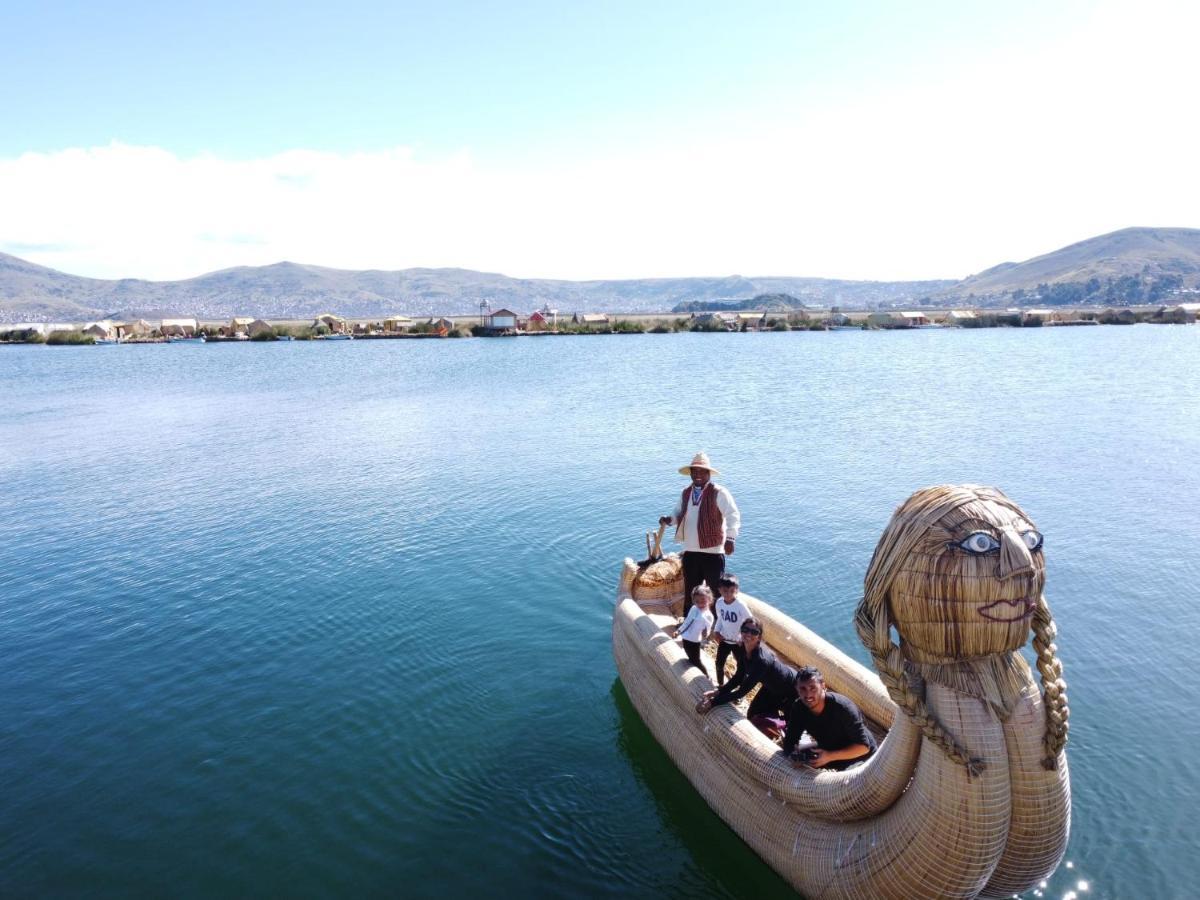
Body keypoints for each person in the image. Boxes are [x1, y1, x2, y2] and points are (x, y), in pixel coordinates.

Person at [659, 452, 740, 615]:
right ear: (691, 474)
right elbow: (678, 512)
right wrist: (670, 519)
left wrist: (730, 538)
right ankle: (688, 620)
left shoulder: (719, 492)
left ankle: (719, 624)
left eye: (701, 471)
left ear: (708, 473)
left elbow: (733, 515)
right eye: (694, 472)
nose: (697, 475)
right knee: (691, 589)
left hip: (713, 552)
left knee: (716, 591)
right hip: (690, 551)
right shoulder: (686, 492)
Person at [695, 616, 795, 737]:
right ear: (741, 631)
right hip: (771, 687)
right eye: (745, 629)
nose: (748, 634)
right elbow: (738, 677)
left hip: (791, 690)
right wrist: (718, 692)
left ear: (759, 637)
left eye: (754, 632)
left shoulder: (761, 661)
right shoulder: (742, 648)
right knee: (753, 714)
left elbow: (741, 692)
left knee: (790, 725)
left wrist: (713, 703)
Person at [782, 666, 876, 770]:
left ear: (823, 686)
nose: (808, 695)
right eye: (803, 689)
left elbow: (864, 747)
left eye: (813, 688)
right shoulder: (799, 707)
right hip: (828, 751)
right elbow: (790, 741)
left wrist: (830, 756)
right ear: (797, 689)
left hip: (859, 757)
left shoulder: (843, 707)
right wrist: (793, 756)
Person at [711, 573, 751, 689]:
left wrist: (742, 637)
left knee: (741, 667)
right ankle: (721, 685)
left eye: (731, 591)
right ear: (719, 590)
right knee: (719, 664)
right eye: (725, 591)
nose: (728, 594)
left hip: (738, 643)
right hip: (725, 640)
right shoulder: (719, 603)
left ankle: (740, 690)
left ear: (737, 590)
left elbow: (750, 621)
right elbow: (720, 618)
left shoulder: (740, 605)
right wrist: (717, 631)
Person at [672, 585, 715, 678]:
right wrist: (678, 631)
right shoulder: (693, 608)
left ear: (709, 599)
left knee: (696, 660)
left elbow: (708, 630)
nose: (700, 604)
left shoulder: (708, 616)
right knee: (688, 654)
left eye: (703, 601)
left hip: (695, 640)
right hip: (686, 637)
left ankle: (706, 676)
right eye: (697, 601)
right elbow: (687, 622)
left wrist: (705, 634)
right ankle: (693, 671)